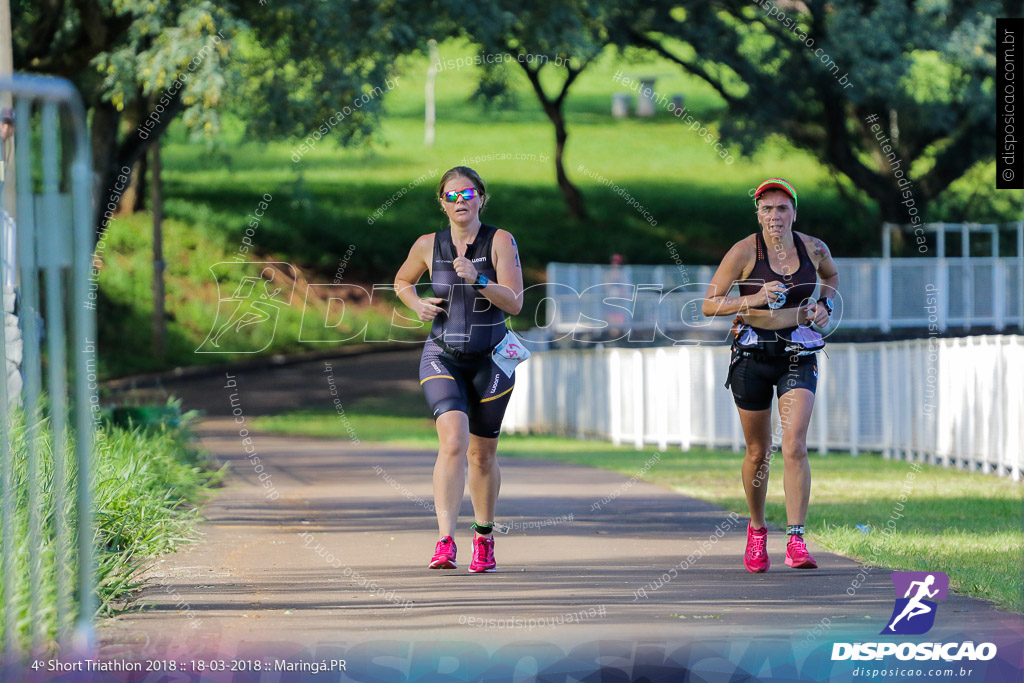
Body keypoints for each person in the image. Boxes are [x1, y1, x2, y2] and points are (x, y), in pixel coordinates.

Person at [701, 178, 838, 573]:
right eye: (767, 209)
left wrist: (824, 305)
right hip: (752, 356)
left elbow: (831, 278)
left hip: (798, 354)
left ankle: (796, 539)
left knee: (794, 445)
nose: (774, 216)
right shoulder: (744, 251)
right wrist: (753, 299)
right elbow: (709, 305)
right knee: (758, 452)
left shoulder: (814, 248)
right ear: (757, 213)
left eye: (782, 208)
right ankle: (758, 529)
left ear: (794, 212)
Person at [394, 166, 523, 573]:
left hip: (492, 360)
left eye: (467, 193)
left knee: (482, 455)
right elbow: (402, 281)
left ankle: (483, 538)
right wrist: (416, 304)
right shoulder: (426, 245)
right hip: (442, 354)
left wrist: (478, 277)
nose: (460, 201)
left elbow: (515, 302)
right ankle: (445, 540)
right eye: (451, 196)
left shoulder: (500, 241)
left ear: (481, 198)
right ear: (442, 203)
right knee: (453, 440)